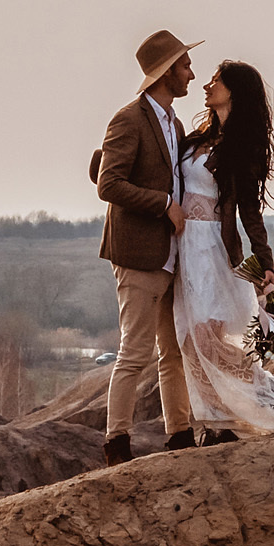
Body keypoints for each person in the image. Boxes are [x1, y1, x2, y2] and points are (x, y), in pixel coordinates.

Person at [171, 60, 274, 440]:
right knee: (189, 340)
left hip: (211, 250)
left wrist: (264, 261)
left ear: (234, 91)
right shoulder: (193, 139)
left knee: (208, 337)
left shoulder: (242, 148)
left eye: (216, 81)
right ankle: (218, 419)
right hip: (182, 249)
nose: (207, 85)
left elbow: (250, 211)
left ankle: (266, 405)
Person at [92, 29, 201, 463]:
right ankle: (116, 445)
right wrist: (164, 205)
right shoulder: (128, 119)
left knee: (172, 352)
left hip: (171, 257)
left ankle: (179, 437)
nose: (191, 74)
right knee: (134, 353)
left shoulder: (173, 123)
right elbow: (108, 183)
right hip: (138, 255)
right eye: (185, 66)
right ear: (166, 72)